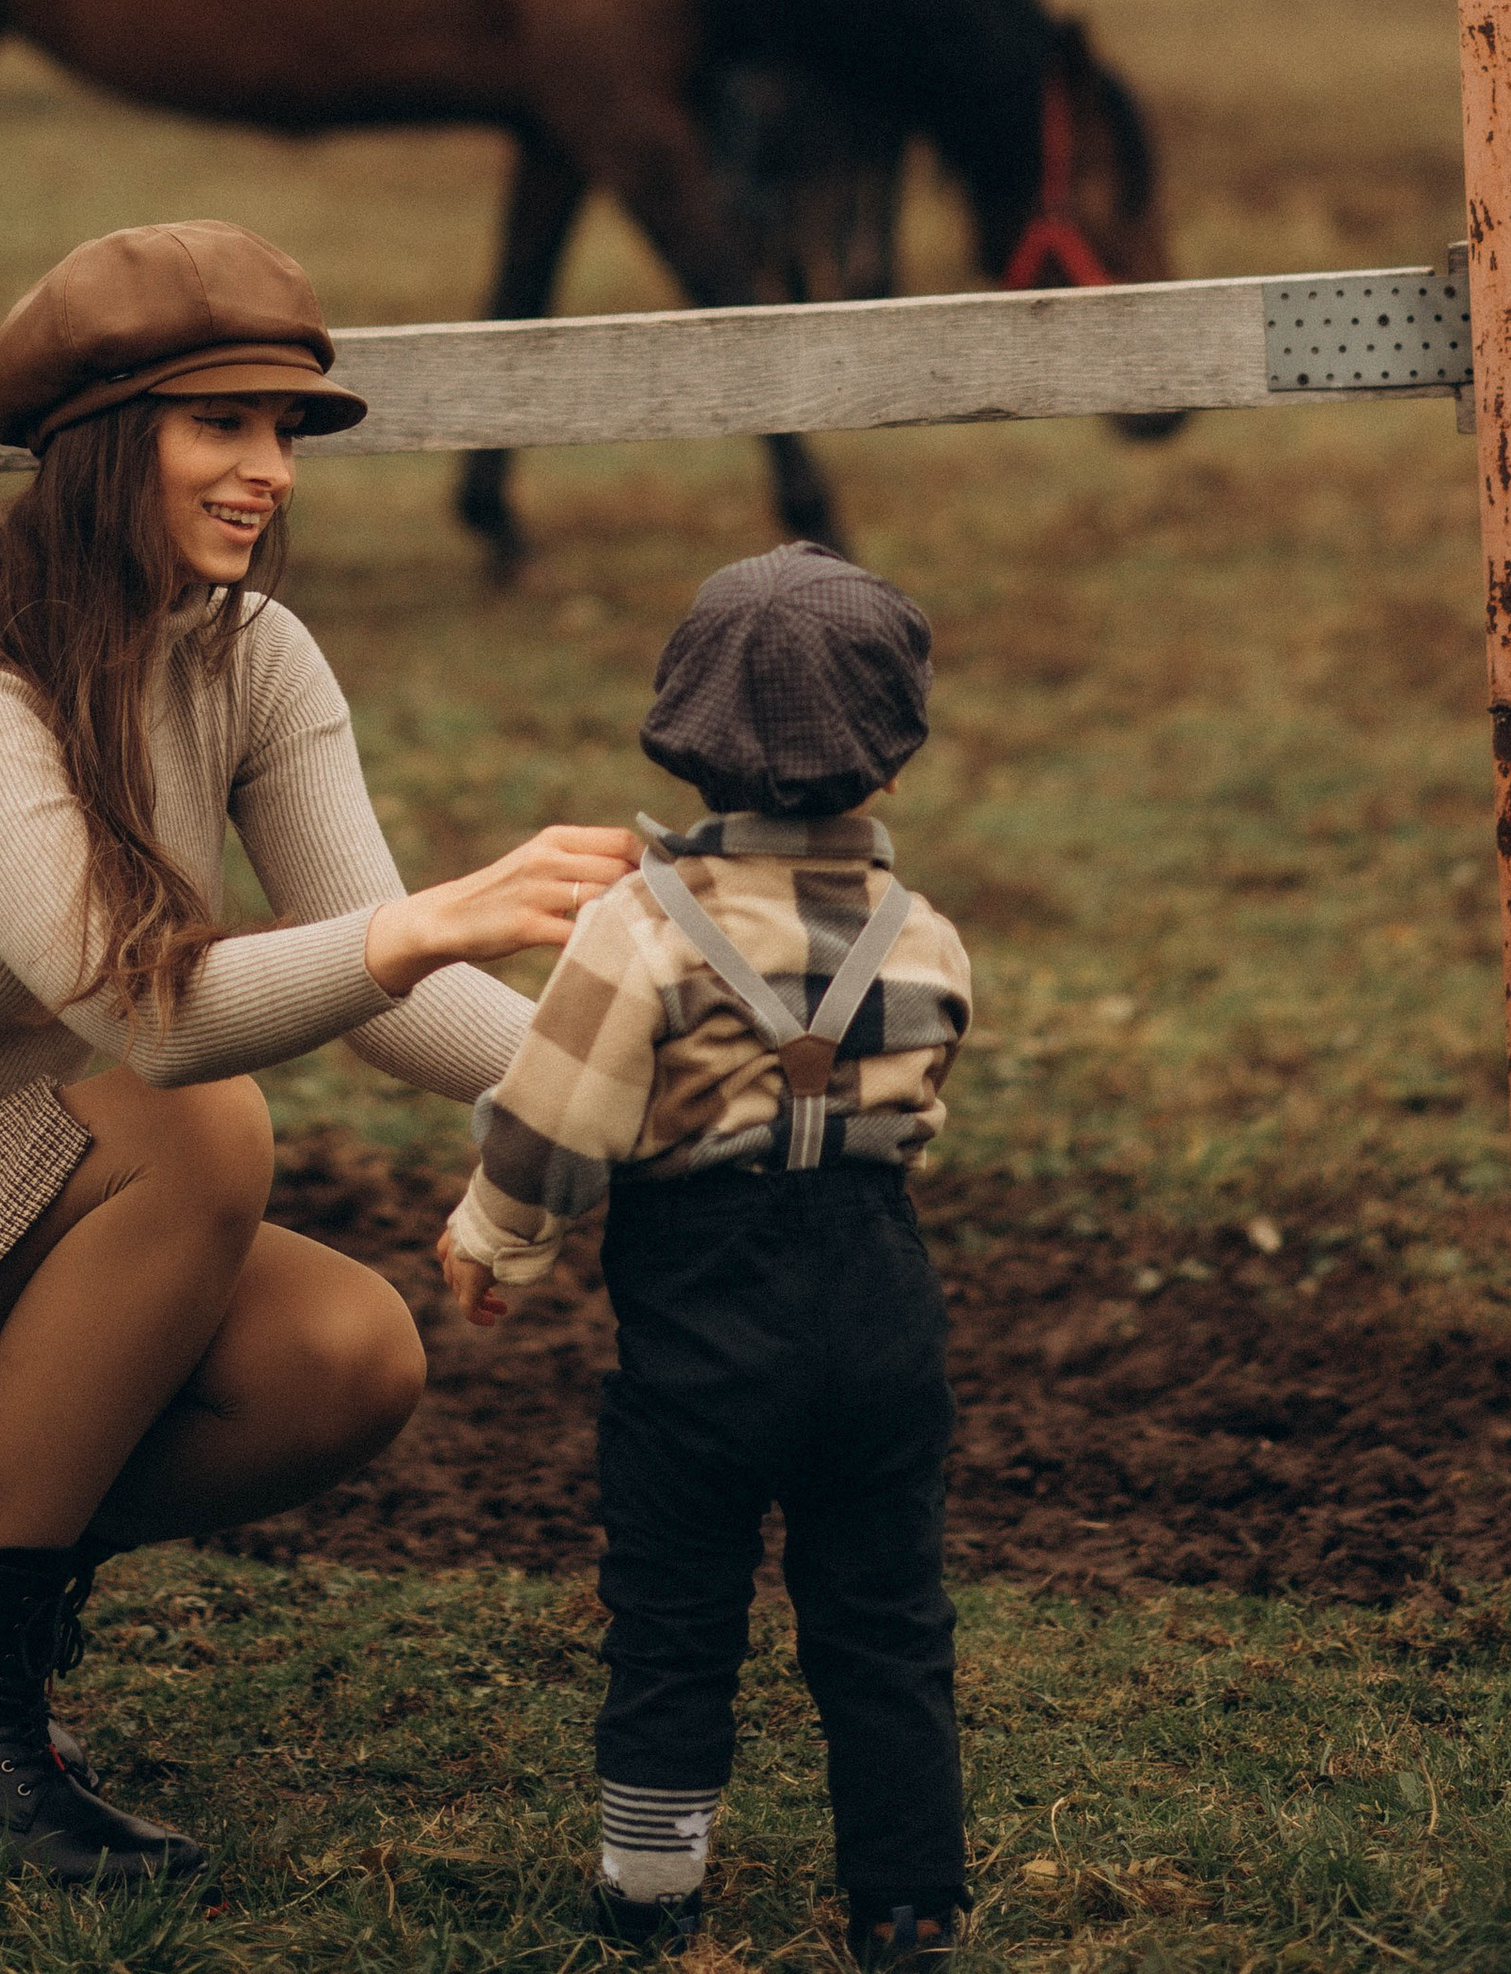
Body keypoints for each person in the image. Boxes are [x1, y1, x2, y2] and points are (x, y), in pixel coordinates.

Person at [0, 218, 633, 1888]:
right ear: (98, 444)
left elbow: (395, 1011)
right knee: (192, 1116)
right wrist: (439, 915)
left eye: (287, 428)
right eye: (220, 423)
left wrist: (628, 1100)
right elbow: (150, 1012)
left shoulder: (248, 655)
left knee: (350, 1356)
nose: (271, 468)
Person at [437, 542, 973, 1961]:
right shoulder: (929, 940)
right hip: (878, 1310)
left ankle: (654, 1891)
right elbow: (919, 1119)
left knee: (673, 1611)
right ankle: (908, 1898)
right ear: (893, 761)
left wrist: (500, 1240)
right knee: (886, 1610)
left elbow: (556, 1126)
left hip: (702, 1338)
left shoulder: (635, 933)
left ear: (684, 740)